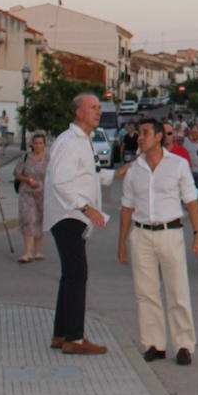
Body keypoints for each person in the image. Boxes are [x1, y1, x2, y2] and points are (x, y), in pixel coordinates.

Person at [117, 118, 198, 366]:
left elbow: (191, 200)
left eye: (145, 133)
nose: (140, 138)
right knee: (145, 293)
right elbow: (126, 207)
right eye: (139, 134)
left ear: (158, 137)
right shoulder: (134, 170)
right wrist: (122, 242)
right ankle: (154, 344)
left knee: (177, 290)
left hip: (170, 232)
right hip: (141, 233)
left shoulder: (178, 165)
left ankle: (184, 345)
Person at [44, 93, 117, 355]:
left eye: (99, 107)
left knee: (70, 276)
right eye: (93, 107)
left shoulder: (83, 141)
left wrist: (117, 173)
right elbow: (60, 183)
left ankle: (61, 333)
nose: (98, 112)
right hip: (68, 216)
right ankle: (74, 339)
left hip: (73, 215)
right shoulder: (69, 142)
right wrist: (87, 208)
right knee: (77, 275)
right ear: (79, 112)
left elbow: (88, 176)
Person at [13, 133, 50, 263]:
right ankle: (27, 252)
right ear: (32, 144)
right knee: (28, 218)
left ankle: (38, 251)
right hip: (26, 192)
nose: (38, 146)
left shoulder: (49, 159)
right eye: (36, 143)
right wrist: (27, 179)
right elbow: (17, 173)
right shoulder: (25, 158)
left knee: (40, 219)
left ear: (44, 145)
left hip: (43, 193)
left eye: (40, 143)